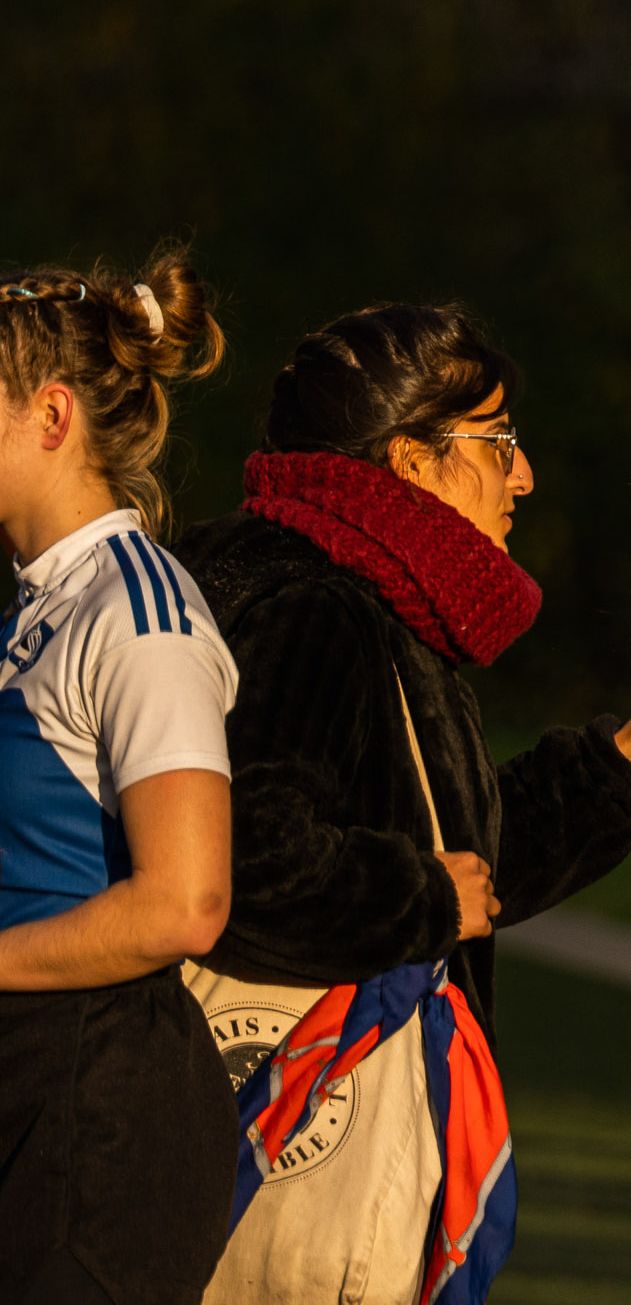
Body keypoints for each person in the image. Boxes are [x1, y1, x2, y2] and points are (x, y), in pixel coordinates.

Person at [173, 303, 631, 1303]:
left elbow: (458, 857)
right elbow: (244, 860)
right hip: (300, 1133)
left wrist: (619, 760)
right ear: (411, 461)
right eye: (498, 443)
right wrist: (421, 899)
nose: (521, 474)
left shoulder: (359, 591)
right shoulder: (315, 608)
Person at [0, 251, 237, 1305]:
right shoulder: (32, 608)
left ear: (51, 417)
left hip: (100, 1116)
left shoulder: (140, 613)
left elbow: (186, 904)